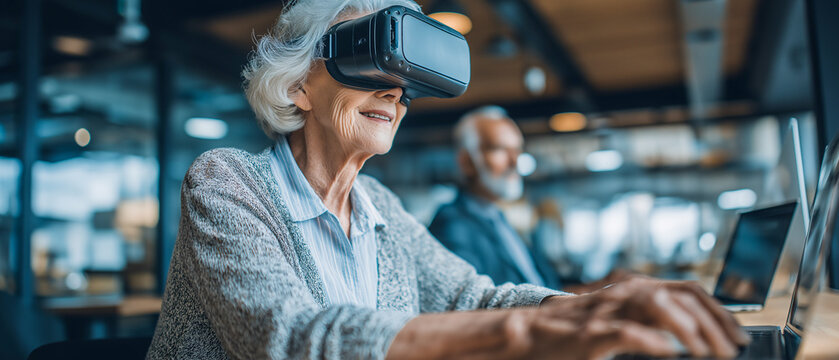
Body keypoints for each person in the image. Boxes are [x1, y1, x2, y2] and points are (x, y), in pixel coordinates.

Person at [146, 1, 748, 359]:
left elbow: (474, 298)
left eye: (403, 82)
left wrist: (601, 306)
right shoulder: (227, 182)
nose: (393, 92)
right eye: (368, 64)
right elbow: (294, 339)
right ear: (298, 83)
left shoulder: (380, 207)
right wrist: (536, 331)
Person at [429, 107, 627, 293]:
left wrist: (603, 286)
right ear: (467, 162)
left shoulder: (498, 219)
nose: (515, 162)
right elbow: (474, 304)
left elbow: (543, 287)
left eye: (517, 150)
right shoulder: (451, 226)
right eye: (499, 149)